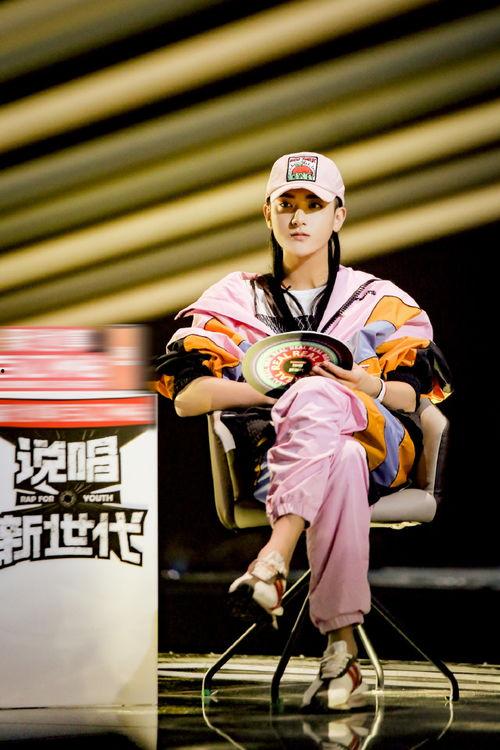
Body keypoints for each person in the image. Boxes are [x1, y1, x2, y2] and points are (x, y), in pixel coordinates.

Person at [156, 151, 452, 711]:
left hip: (379, 452)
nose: (298, 217)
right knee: (336, 455)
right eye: (286, 203)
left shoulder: (379, 300)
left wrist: (364, 384)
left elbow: (416, 396)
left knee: (330, 412)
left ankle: (272, 558)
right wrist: (274, 393)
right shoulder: (233, 299)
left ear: (338, 216)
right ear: (267, 214)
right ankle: (341, 653)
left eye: (313, 204)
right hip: (274, 461)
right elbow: (188, 397)